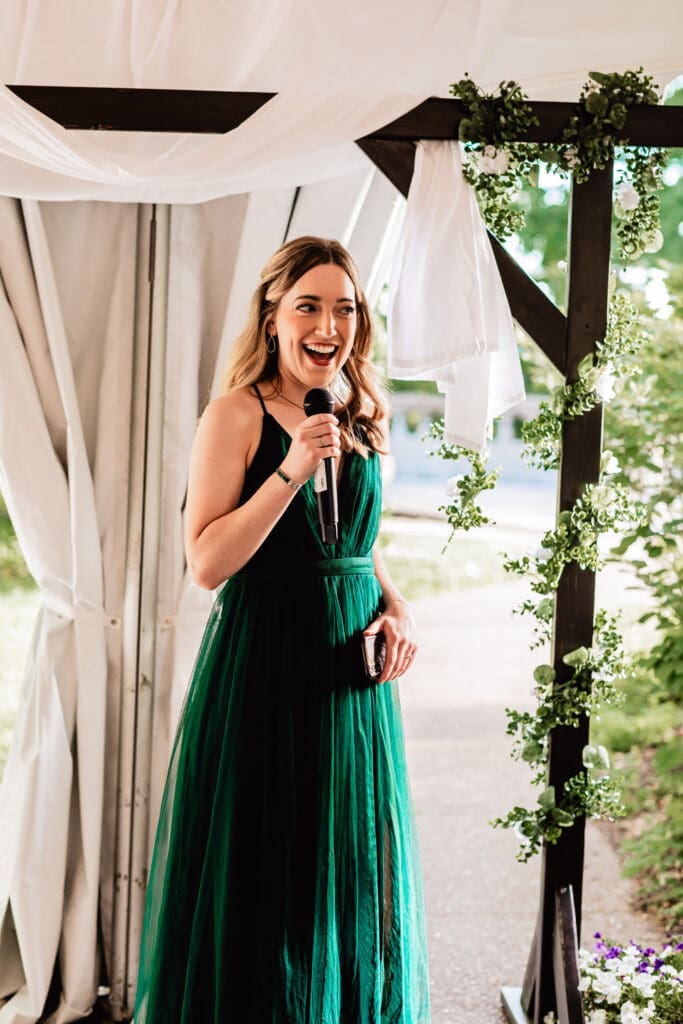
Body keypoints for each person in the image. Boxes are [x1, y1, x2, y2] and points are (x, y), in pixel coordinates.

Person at [134, 236, 431, 1023]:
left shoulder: (366, 412)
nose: (327, 323)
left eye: (344, 307)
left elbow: (356, 551)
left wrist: (396, 607)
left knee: (344, 882)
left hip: (351, 685)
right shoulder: (235, 413)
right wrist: (290, 468)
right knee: (268, 881)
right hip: (264, 669)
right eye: (308, 305)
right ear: (272, 318)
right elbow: (206, 561)